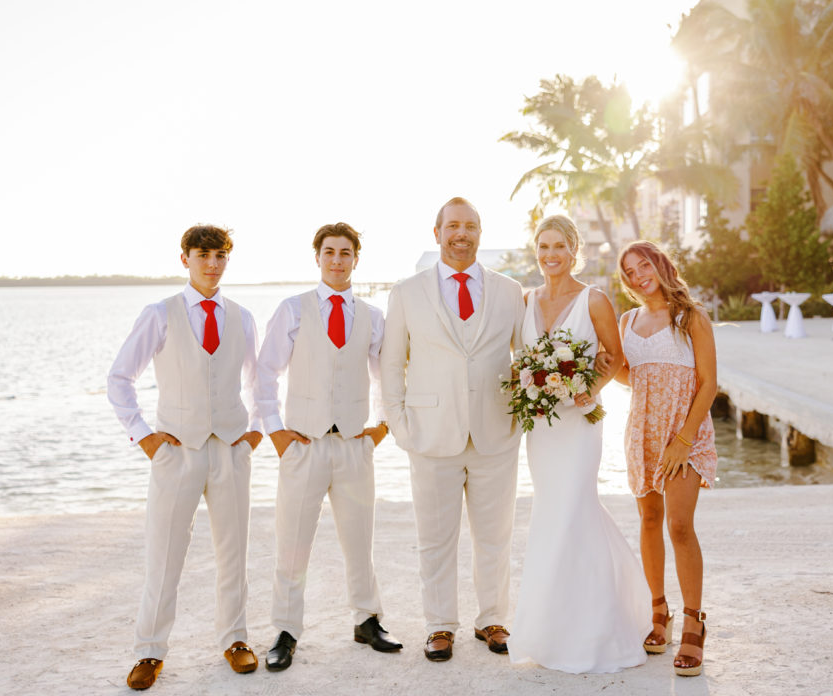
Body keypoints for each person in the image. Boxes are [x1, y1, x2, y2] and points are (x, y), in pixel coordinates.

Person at [107, 224, 263, 690]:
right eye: (204, 254)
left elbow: (260, 383)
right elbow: (119, 379)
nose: (212, 264)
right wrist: (145, 437)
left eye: (221, 256)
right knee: (165, 553)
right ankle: (149, 652)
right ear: (185, 259)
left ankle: (235, 640)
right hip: (176, 452)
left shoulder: (242, 316)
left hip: (231, 450)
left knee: (234, 552)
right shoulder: (160, 314)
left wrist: (254, 432)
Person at [380, 197, 524, 662]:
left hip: (495, 433)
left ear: (481, 234)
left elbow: (527, 359)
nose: (462, 234)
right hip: (430, 434)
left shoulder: (509, 291)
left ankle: (493, 619)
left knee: (495, 535)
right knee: (436, 538)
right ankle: (440, 625)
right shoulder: (406, 292)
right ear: (437, 232)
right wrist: (401, 428)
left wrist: (522, 416)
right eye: (453, 226)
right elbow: (389, 367)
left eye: (471, 226)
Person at [507, 214, 652, 673]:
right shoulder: (526, 300)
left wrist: (591, 386)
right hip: (543, 430)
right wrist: (530, 382)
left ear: (574, 250)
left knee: (574, 509)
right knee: (553, 516)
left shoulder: (594, 299)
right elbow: (520, 361)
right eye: (543, 246)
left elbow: (615, 357)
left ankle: (596, 628)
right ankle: (549, 629)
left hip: (581, 425)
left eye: (559, 247)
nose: (550, 255)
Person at [255, 222, 402, 673]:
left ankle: (367, 619)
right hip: (303, 445)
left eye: (345, 253)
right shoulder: (293, 310)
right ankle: (286, 630)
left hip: (355, 445)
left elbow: (389, 375)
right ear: (317, 257)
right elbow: (265, 372)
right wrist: (276, 432)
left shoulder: (374, 316)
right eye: (329, 252)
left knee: (360, 539)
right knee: (293, 543)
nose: (337, 260)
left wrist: (382, 427)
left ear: (357, 259)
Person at [615, 240, 718, 678]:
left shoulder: (690, 316)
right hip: (642, 430)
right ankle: (659, 610)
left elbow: (710, 383)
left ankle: (694, 620)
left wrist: (683, 438)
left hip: (685, 432)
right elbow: (629, 373)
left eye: (644, 266)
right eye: (630, 271)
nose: (639, 276)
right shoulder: (626, 320)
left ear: (660, 265)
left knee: (679, 525)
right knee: (649, 519)